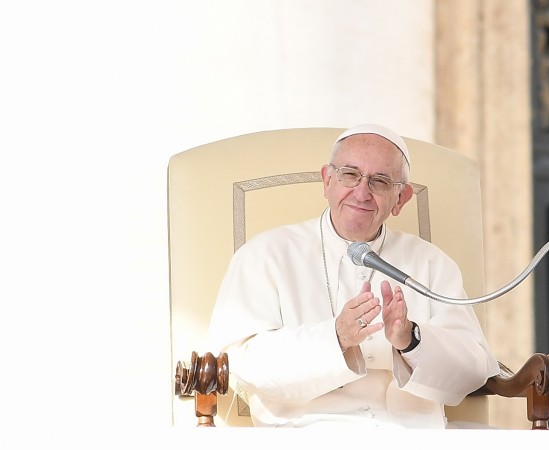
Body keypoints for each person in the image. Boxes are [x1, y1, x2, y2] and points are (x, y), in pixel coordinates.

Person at [207, 123, 499, 428]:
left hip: (415, 438)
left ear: (401, 198)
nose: (362, 192)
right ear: (327, 180)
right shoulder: (265, 254)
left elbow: (473, 369)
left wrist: (411, 340)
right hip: (306, 437)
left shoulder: (431, 263)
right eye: (350, 174)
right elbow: (241, 362)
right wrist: (335, 337)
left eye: (380, 181)